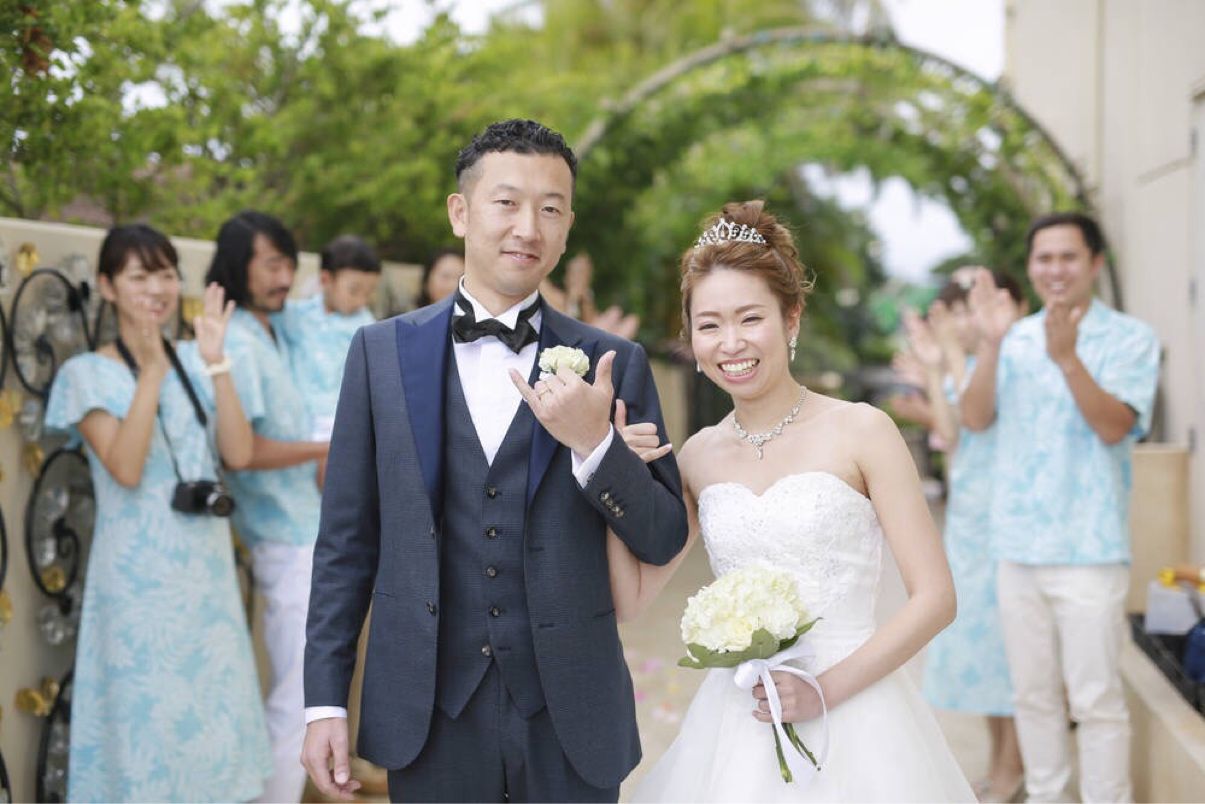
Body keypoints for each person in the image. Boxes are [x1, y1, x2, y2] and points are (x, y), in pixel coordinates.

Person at [300, 118, 689, 803]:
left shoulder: (613, 362)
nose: (527, 228)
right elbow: (345, 543)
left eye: (550, 209)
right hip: (428, 710)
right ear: (460, 212)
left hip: (570, 711)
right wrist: (324, 701)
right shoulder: (379, 354)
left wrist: (595, 446)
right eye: (506, 203)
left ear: (567, 228)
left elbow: (662, 536)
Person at [610, 200, 974, 801]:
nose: (731, 343)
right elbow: (632, 598)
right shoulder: (697, 455)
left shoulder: (863, 430)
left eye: (750, 318)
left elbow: (936, 598)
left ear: (792, 318)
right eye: (709, 325)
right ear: (691, 338)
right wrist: (610, 471)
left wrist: (823, 691)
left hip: (857, 710)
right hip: (740, 718)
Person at [45, 224, 270, 801]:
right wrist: (150, 372)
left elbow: (239, 453)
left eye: (166, 274)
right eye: (139, 276)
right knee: (144, 726)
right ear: (107, 286)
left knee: (211, 726)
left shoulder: (198, 358)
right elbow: (125, 466)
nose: (157, 288)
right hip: (136, 585)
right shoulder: (85, 374)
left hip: (206, 577)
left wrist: (216, 364)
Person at [961, 212, 1160, 803]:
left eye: (1068, 257)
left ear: (1095, 263)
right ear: (1030, 267)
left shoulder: (1131, 338)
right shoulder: (1011, 337)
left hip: (1090, 549)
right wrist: (992, 344)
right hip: (1016, 546)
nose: (1055, 269)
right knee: (1032, 695)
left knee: (1096, 699)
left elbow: (1115, 426)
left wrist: (1069, 358)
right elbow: (975, 418)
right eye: (1043, 258)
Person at [205, 211, 329, 804]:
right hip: (282, 538)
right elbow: (242, 451)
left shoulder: (274, 330)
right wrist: (326, 449)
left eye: (289, 265)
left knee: (305, 693)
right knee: (300, 697)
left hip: (306, 530)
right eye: (273, 265)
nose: (285, 279)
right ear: (239, 266)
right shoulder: (235, 341)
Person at [909, 272, 1028, 804]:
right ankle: (1002, 762)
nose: (961, 320)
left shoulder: (1007, 362)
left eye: (966, 309)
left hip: (1006, 521)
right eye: (955, 311)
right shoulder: (974, 364)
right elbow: (951, 433)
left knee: (1011, 654)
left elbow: (975, 421)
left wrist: (952, 357)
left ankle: (1013, 769)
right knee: (986, 651)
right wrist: (937, 368)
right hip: (973, 521)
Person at [278, 234, 380, 442]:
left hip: (342, 421)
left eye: (369, 293)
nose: (361, 301)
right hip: (299, 420)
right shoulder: (296, 315)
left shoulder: (367, 327)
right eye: (354, 291)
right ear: (326, 280)